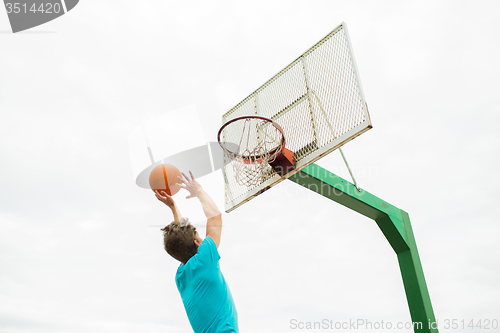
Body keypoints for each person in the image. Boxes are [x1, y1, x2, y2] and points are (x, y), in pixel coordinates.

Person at [155, 171, 238, 333]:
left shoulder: (181, 277)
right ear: (196, 244)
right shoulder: (205, 260)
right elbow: (215, 217)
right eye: (199, 235)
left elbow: (182, 242)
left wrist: (174, 207)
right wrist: (199, 191)